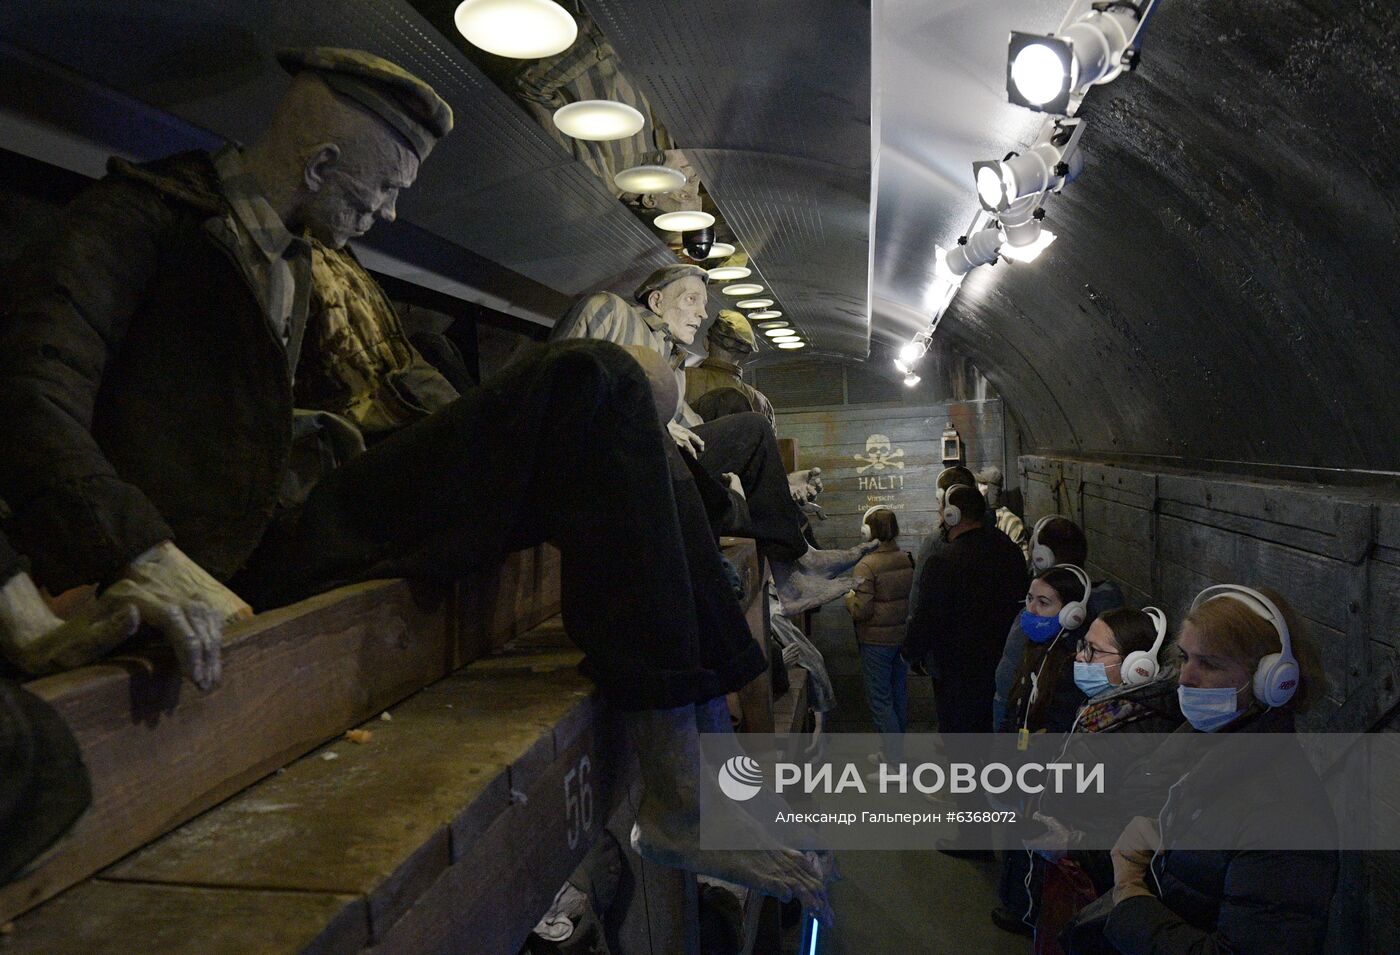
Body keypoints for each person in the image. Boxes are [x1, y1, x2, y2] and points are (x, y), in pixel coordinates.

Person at [0, 48, 828, 912]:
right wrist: (137, 544)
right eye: (378, 189)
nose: (390, 210)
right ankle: (682, 782)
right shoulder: (142, 219)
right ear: (320, 163)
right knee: (594, 375)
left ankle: (691, 759)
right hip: (225, 563)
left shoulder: (302, 258)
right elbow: (30, 384)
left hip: (304, 509)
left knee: (619, 421)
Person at [551, 266, 873, 616]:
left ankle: (794, 570)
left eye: (703, 305)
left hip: (657, 464)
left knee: (752, 431)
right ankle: (788, 569)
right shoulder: (608, 311)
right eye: (691, 300)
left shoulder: (674, 360)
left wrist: (777, 482)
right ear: (657, 300)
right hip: (607, 465)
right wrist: (649, 422)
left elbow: (702, 429)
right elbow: (559, 386)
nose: (702, 313)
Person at [1086, 585, 1338, 955]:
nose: (1185, 677)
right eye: (1186, 657)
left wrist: (1129, 894)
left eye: (1210, 664)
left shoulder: (1284, 813)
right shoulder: (1204, 750)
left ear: (1272, 682)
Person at [1001, 607, 1183, 939]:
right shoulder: (1106, 712)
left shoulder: (1138, 733)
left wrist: (1073, 843)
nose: (1081, 658)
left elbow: (1130, 826)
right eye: (1083, 645)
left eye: (1094, 651)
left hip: (1095, 883)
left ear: (1138, 667)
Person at [903, 485, 1028, 735]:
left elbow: (926, 616)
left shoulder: (941, 562)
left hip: (957, 674)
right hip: (1003, 664)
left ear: (953, 516)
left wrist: (912, 652)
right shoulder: (1009, 551)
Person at [993, 517, 1124, 730]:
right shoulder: (1105, 605)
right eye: (1029, 599)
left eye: (1043, 602)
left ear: (1071, 614)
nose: (1031, 610)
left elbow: (1005, 689)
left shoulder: (1074, 658)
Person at [844, 506, 914, 766]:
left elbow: (862, 611)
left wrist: (848, 600)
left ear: (867, 532)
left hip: (875, 642)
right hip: (900, 638)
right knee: (898, 697)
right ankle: (893, 753)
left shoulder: (866, 565)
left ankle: (895, 763)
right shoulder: (906, 558)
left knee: (881, 701)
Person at [975, 466, 1029, 560]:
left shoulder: (1011, 522)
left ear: (990, 489)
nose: (977, 488)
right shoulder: (976, 517)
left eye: (981, 484)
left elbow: (1023, 560)